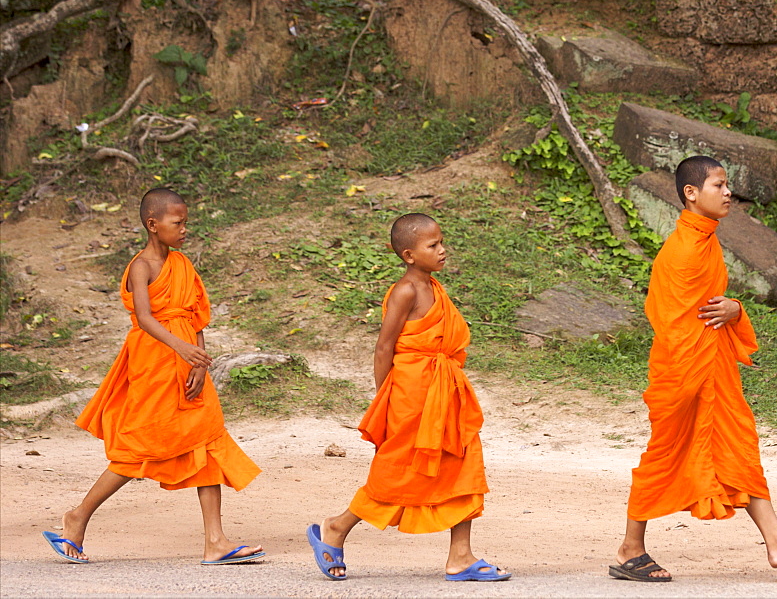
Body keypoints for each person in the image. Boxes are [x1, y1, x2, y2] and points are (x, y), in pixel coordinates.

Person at [609, 156, 777, 583]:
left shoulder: (704, 240)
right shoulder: (682, 251)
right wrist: (694, 377)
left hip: (710, 370)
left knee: (738, 449)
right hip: (686, 376)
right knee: (663, 457)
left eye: (727, 184)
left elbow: (709, 310)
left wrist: (735, 311)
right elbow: (672, 324)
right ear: (691, 194)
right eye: (719, 185)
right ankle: (630, 550)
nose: (728, 192)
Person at [42, 188, 264, 566]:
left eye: (185, 223)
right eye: (177, 223)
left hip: (188, 360)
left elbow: (195, 315)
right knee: (139, 448)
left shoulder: (183, 264)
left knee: (207, 442)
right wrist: (181, 350)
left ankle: (216, 541)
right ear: (152, 224)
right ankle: (76, 518)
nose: (184, 230)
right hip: (154, 360)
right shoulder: (141, 267)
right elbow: (145, 318)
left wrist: (198, 361)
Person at [307, 213, 509, 582]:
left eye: (442, 242)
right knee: (398, 473)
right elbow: (384, 348)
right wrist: (385, 397)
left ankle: (461, 557)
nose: (443, 250)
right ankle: (336, 527)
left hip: (446, 392)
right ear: (409, 254)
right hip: (410, 395)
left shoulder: (435, 288)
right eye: (433, 246)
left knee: (462, 464)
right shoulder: (406, 291)